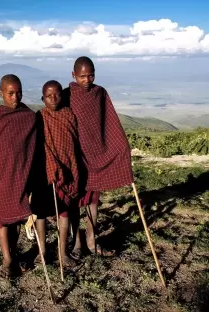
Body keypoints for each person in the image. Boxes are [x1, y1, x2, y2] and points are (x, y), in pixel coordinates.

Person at [63, 56, 134, 259]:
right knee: (75, 203)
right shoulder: (67, 95)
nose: (87, 80)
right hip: (75, 159)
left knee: (93, 202)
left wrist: (121, 146)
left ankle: (92, 241)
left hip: (96, 158)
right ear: (73, 75)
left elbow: (110, 122)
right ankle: (77, 243)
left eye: (91, 75)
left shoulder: (100, 93)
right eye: (82, 76)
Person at [0, 74, 37, 278]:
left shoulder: (28, 116)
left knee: (18, 217)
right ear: (1, 93)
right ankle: (7, 260)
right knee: (3, 219)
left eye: (18, 92)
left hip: (21, 176)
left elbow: (33, 146)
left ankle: (16, 253)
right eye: (10, 93)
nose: (15, 97)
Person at [31, 80, 80, 268]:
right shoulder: (39, 117)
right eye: (48, 96)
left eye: (57, 94)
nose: (53, 99)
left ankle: (63, 253)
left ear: (62, 95)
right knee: (41, 214)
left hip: (68, 173)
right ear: (42, 98)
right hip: (44, 174)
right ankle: (42, 251)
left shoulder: (69, 115)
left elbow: (73, 145)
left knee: (64, 213)